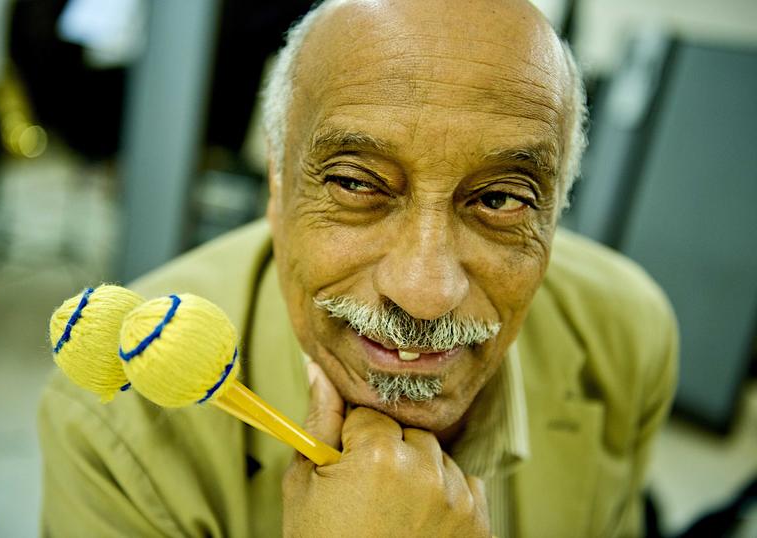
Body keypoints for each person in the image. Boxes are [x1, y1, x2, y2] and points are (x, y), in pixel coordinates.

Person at [38, 0, 678, 536]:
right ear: (277, 186)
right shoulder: (112, 436)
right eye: (354, 183)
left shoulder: (628, 334)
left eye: (499, 199)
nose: (426, 292)